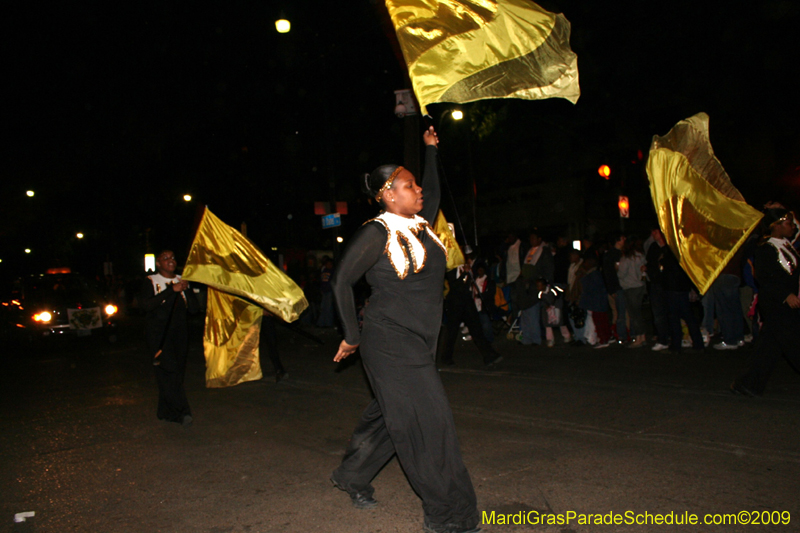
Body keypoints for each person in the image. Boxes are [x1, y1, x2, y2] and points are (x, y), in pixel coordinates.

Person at [330, 127, 481, 533]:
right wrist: (352, 335)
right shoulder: (377, 232)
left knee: (391, 418)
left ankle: (352, 476)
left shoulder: (419, 224)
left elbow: (432, 191)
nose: (418, 191)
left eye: (415, 185)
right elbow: (341, 281)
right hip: (389, 341)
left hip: (419, 340)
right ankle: (450, 516)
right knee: (430, 425)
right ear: (388, 195)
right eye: (408, 186)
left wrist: (431, 151)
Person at [732, 206, 800, 396]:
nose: (793, 226)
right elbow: (765, 277)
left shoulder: (786, 245)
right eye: (788, 223)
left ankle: (748, 383)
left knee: (769, 347)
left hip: (788, 305)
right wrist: (785, 294)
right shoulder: (766, 249)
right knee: (794, 343)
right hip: (777, 304)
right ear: (776, 226)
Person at [139, 250, 198, 426]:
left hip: (179, 333)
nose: (170, 260)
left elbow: (194, 309)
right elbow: (146, 305)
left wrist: (186, 290)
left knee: (176, 373)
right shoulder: (151, 281)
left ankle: (164, 411)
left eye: (172, 257)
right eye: (165, 258)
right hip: (159, 334)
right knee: (169, 371)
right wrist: (171, 290)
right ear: (158, 263)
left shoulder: (182, 279)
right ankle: (182, 412)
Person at [440, 259, 502, 367]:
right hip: (455, 304)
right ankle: (446, 357)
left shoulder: (468, 269)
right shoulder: (451, 270)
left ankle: (489, 355)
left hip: (467, 302)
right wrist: (465, 274)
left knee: (477, 329)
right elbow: (456, 286)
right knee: (452, 332)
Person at [618, 237, 647, 348]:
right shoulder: (641, 256)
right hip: (640, 286)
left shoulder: (626, 258)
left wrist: (617, 270)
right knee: (638, 312)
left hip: (630, 287)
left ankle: (639, 337)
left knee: (634, 314)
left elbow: (621, 274)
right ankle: (642, 336)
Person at [644, 227, 671, 351]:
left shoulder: (670, 246)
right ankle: (662, 339)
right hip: (656, 284)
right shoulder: (653, 247)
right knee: (658, 313)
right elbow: (650, 263)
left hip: (670, 284)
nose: (652, 234)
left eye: (655, 232)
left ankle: (675, 336)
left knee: (672, 311)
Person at [603, 233, 629, 343]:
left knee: (617, 312)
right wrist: (612, 289)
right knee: (622, 312)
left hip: (617, 287)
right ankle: (623, 334)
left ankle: (617, 334)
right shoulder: (613, 255)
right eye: (622, 238)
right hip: (617, 287)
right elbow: (609, 273)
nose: (625, 240)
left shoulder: (619, 253)